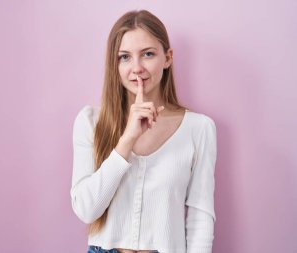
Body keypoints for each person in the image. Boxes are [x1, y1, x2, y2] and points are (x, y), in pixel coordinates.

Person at [70, 9, 217, 253]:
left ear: (167, 58)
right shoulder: (90, 121)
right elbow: (86, 210)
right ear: (114, 64)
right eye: (125, 57)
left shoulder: (199, 128)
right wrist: (127, 140)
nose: (136, 67)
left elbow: (200, 217)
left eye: (148, 54)